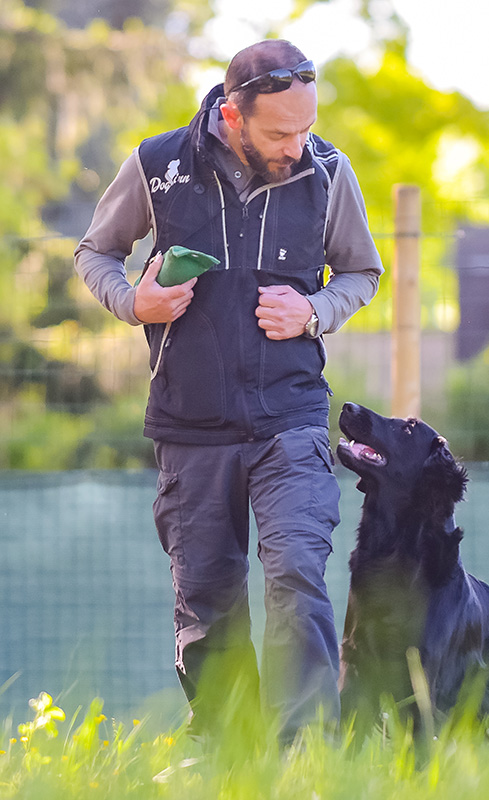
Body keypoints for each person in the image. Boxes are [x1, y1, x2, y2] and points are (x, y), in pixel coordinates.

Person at [74, 39, 383, 745]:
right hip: (190, 425)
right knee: (208, 607)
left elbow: (362, 273)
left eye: (306, 126)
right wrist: (134, 303)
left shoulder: (329, 171)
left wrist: (314, 312)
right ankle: (229, 751)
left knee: (299, 575)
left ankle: (303, 751)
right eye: (280, 131)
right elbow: (94, 251)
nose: (297, 145)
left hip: (292, 419)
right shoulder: (159, 165)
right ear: (232, 115)